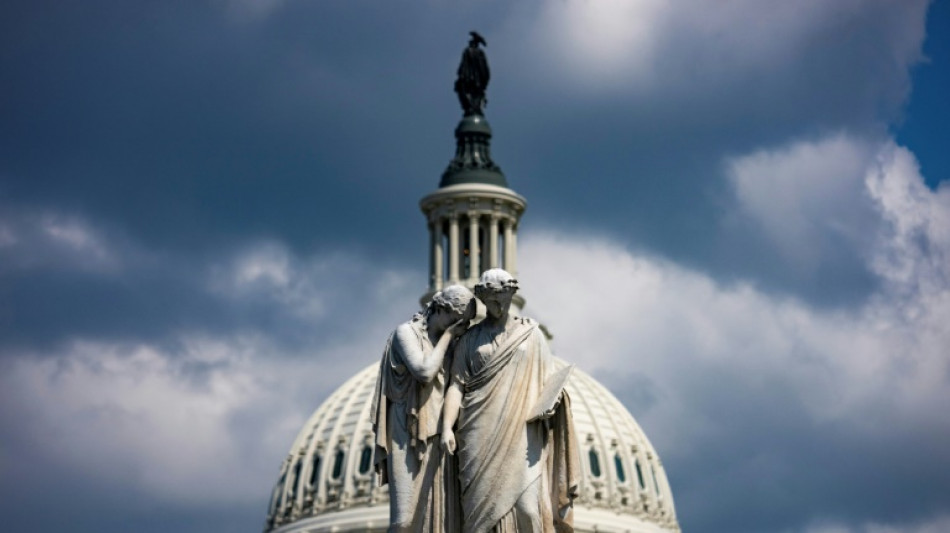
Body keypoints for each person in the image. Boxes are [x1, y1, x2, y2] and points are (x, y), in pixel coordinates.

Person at [442, 269, 580, 533]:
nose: (497, 306)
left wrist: (554, 403)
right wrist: (448, 427)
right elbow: (456, 385)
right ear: (482, 299)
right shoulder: (469, 340)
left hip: (522, 431)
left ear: (511, 296)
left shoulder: (532, 334)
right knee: (478, 516)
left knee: (529, 509)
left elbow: (549, 382)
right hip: (478, 430)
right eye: (491, 300)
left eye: (502, 299)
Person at [371, 285, 475, 532]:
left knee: (443, 519)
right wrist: (449, 336)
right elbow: (424, 372)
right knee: (403, 520)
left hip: (441, 433)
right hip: (405, 430)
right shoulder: (405, 333)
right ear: (441, 309)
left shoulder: (458, 344)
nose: (461, 326)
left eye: (465, 322)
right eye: (457, 319)